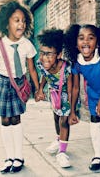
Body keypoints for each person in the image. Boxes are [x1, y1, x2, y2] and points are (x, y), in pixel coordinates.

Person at [0, 0, 39, 174]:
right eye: (16, 20)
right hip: (2, 83)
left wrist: (38, 89)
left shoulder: (27, 44)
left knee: (16, 119)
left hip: (19, 84)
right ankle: (9, 157)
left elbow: (31, 68)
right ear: (6, 22)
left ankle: (19, 156)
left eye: (23, 20)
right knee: (5, 120)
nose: (21, 24)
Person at [64, 24, 100, 171]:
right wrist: (72, 111)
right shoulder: (77, 63)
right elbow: (76, 88)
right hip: (93, 95)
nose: (86, 42)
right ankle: (98, 155)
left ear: (97, 42)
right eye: (81, 38)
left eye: (91, 38)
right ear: (75, 43)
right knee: (95, 119)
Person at [35, 28, 72, 168]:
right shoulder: (41, 64)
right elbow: (44, 75)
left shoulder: (66, 67)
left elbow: (72, 87)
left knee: (64, 121)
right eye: (42, 53)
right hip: (54, 94)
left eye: (49, 54)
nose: (44, 57)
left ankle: (62, 153)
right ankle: (59, 139)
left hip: (67, 95)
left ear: (58, 54)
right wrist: (40, 89)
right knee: (56, 118)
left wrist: (72, 109)